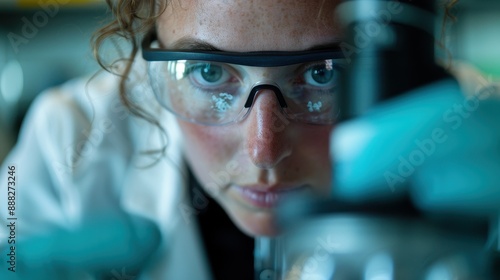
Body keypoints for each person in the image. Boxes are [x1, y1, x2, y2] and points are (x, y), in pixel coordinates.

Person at [0, 0, 499, 279]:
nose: (265, 149)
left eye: (324, 74)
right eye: (209, 71)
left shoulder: (471, 148)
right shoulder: (71, 135)